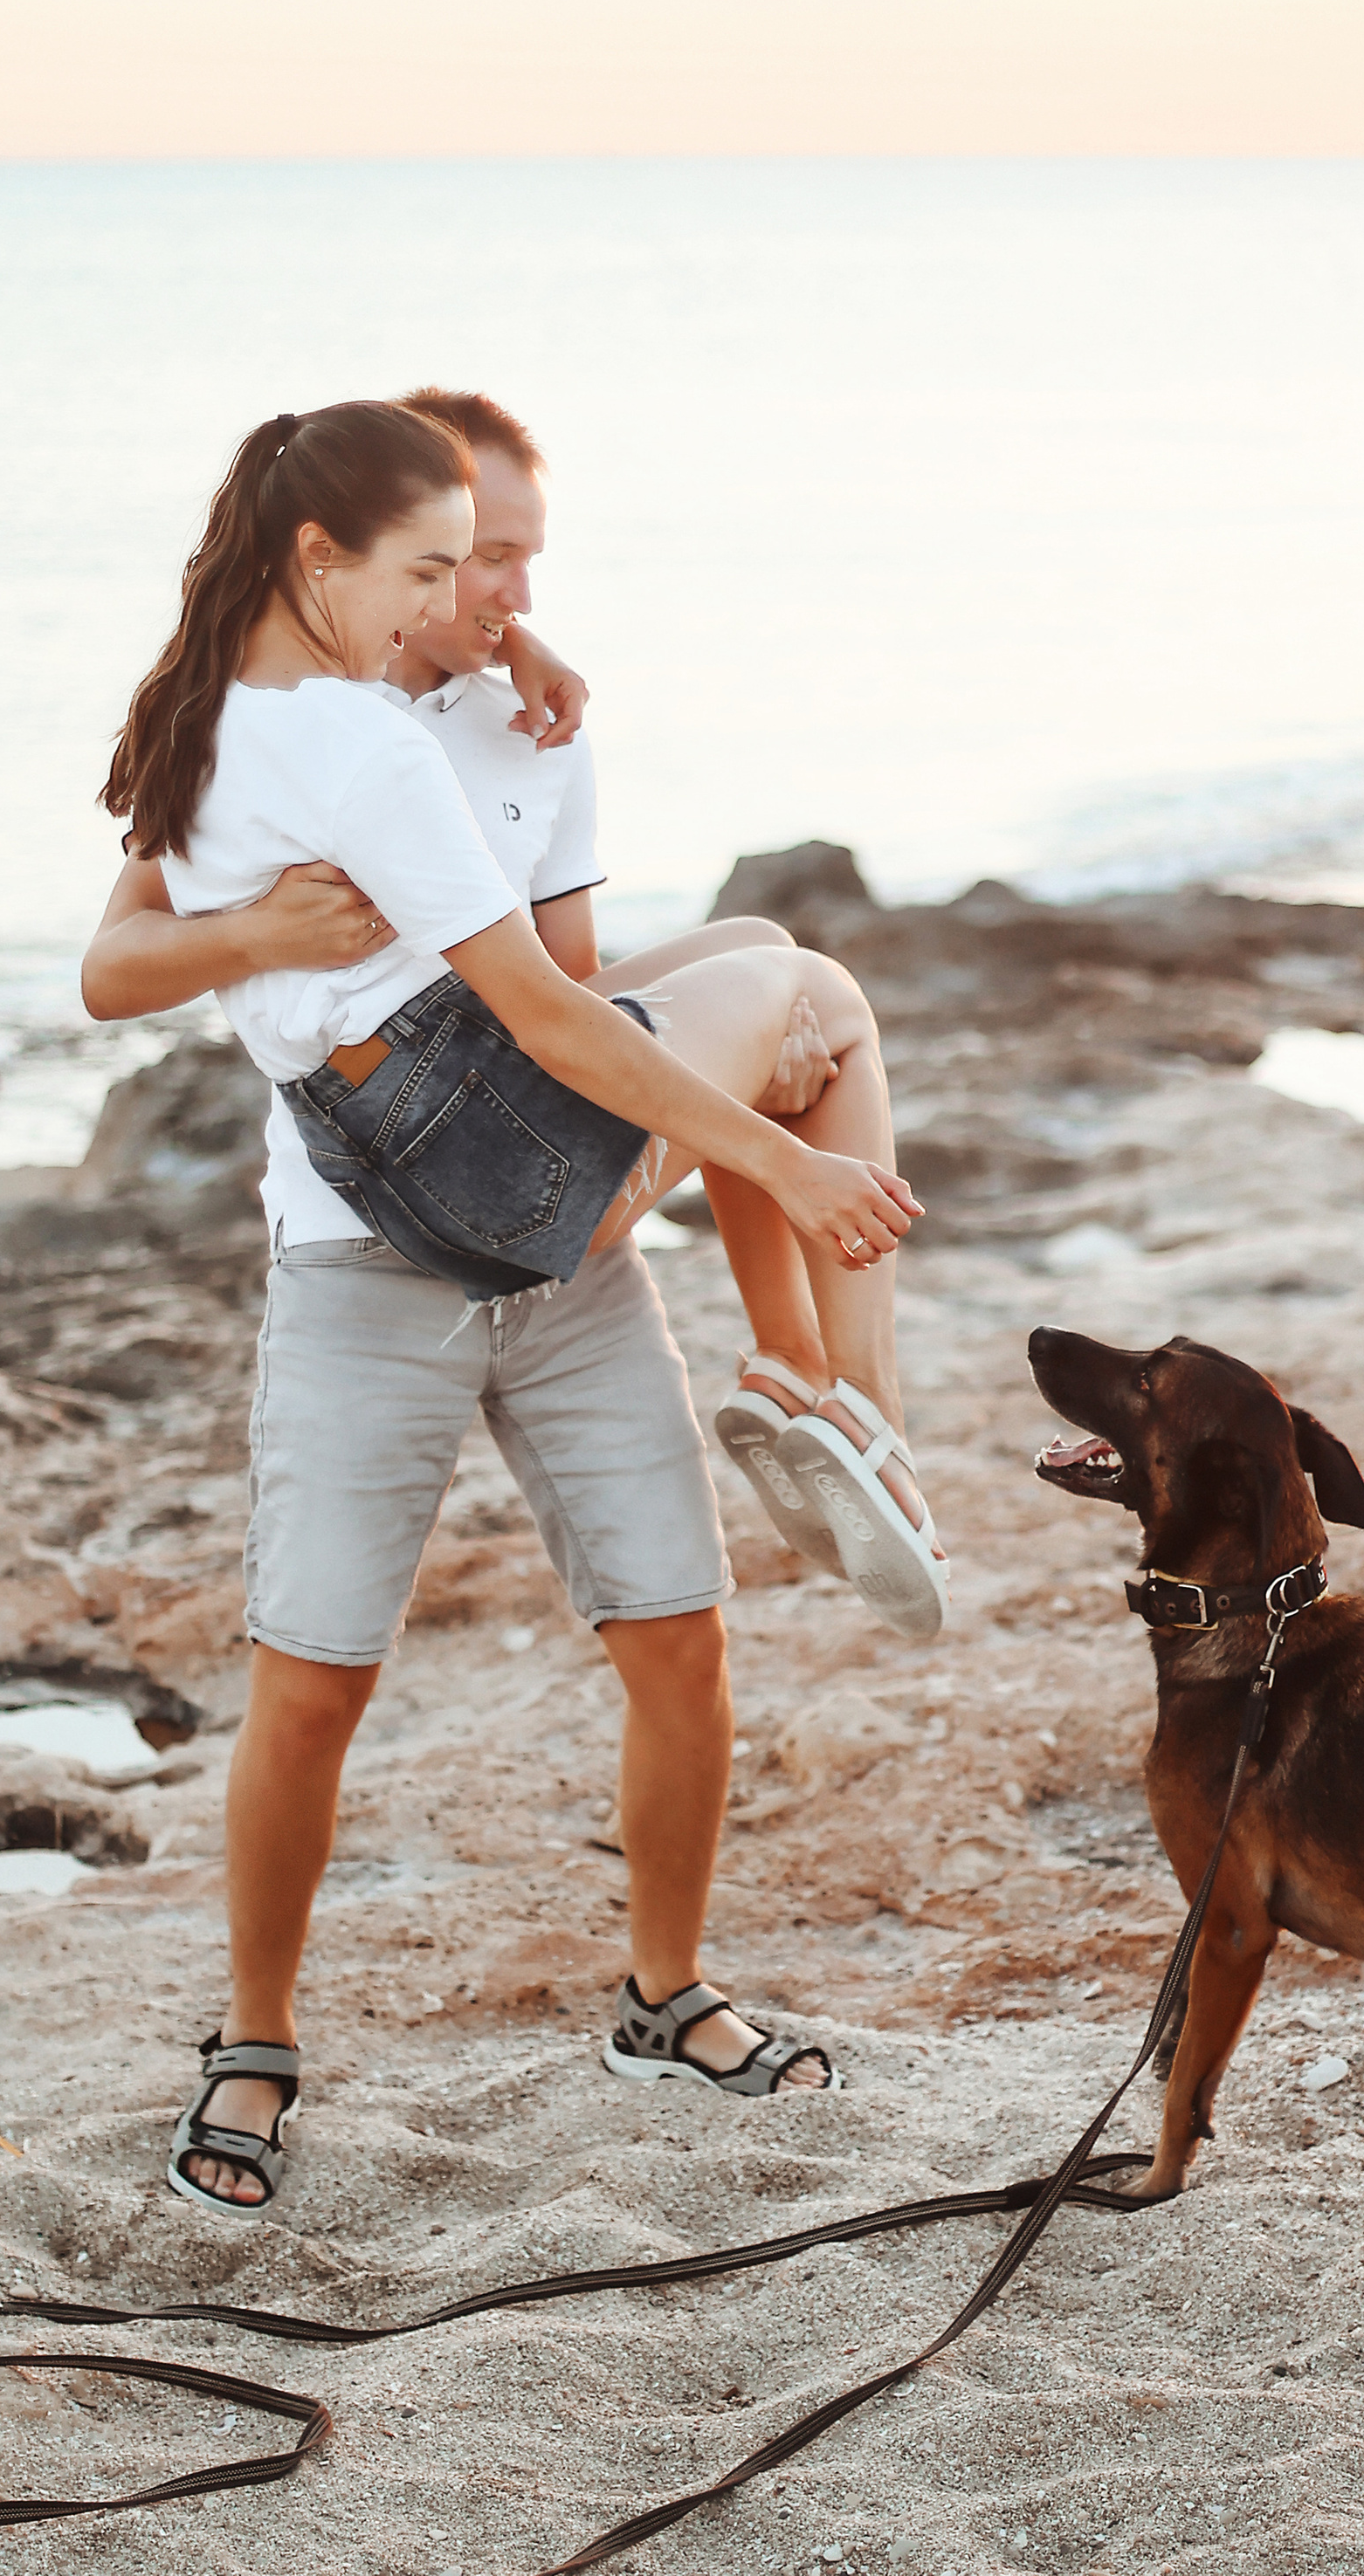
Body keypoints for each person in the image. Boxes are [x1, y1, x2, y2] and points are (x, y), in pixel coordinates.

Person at [84, 396, 943, 2217]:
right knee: (306, 1684)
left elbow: (570, 991)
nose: (476, 592)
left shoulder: (337, 709)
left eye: (500, 562)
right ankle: (253, 2039)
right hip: (382, 1243)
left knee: (678, 1632)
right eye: (448, 562)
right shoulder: (340, 740)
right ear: (335, 563)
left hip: (553, 1242)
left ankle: (666, 1991)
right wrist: (779, 1169)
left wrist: (501, 657)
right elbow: (533, 1027)